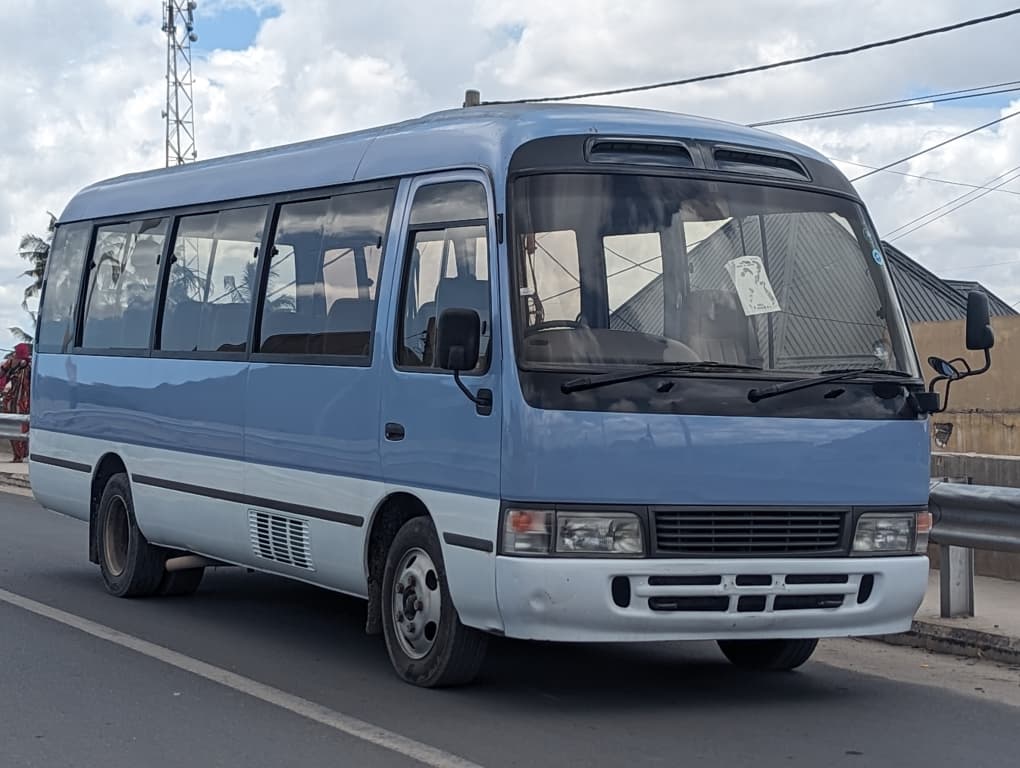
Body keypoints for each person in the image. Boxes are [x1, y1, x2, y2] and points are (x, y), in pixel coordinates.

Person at [1, 343, 32, 461]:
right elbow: (1, 372)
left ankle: (22, 455)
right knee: (10, 429)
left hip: (23, 403)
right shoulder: (10, 363)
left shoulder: (29, 367)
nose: (13, 355)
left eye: (16, 353)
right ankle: (17, 455)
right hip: (10, 402)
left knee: (22, 429)